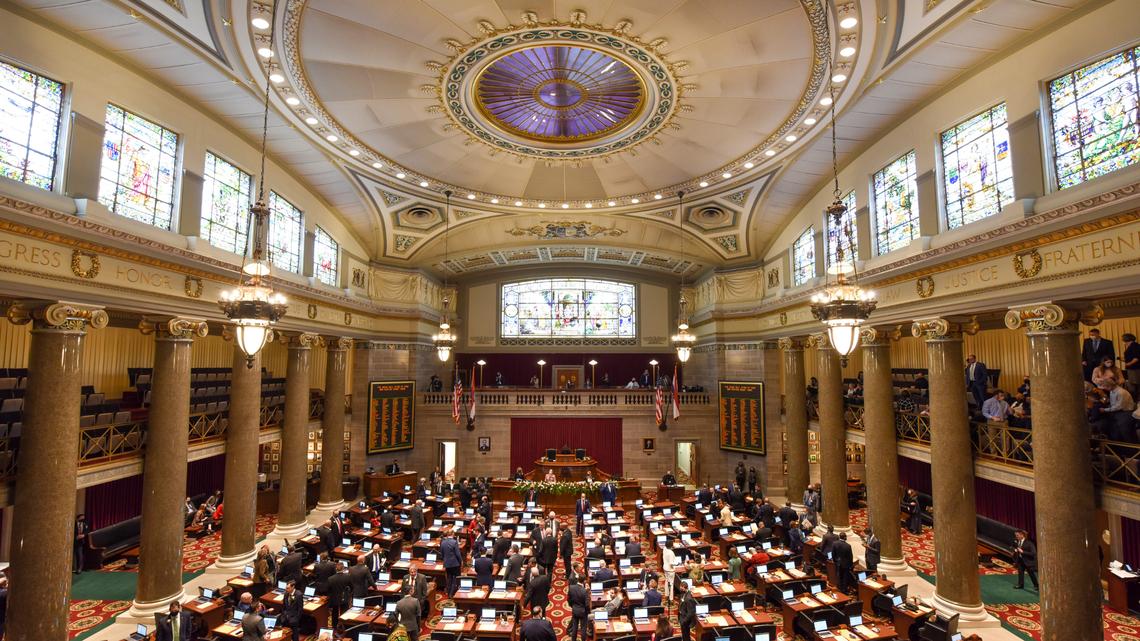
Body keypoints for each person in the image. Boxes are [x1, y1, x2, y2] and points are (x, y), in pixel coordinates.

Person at [566, 575, 590, 641]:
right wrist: (588, 612)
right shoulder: (584, 591)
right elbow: (587, 604)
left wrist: (572, 606)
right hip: (583, 612)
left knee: (574, 627)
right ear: (584, 581)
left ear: (578, 579)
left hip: (575, 610)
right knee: (583, 628)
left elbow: (568, 599)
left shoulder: (571, 587)